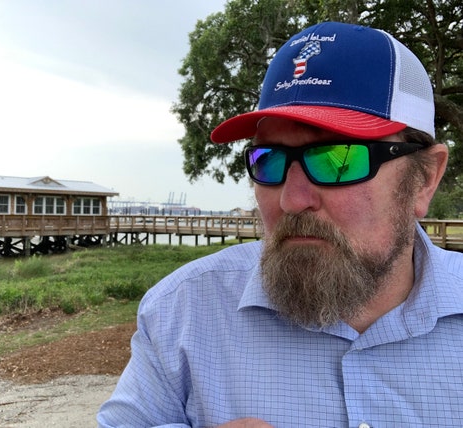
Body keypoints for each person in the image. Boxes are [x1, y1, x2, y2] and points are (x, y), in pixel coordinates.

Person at [97, 21, 463, 427]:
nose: (291, 200)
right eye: (269, 160)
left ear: (425, 178)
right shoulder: (180, 315)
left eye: (337, 160)